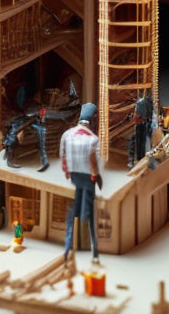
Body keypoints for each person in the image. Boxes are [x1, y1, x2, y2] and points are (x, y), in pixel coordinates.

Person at [60, 103, 102, 264]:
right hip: (87, 177)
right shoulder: (92, 139)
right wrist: (95, 174)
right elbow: (93, 160)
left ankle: (67, 247)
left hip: (74, 176)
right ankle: (94, 252)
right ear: (92, 120)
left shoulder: (67, 135)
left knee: (75, 208)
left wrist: (68, 172)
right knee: (90, 213)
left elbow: (63, 158)